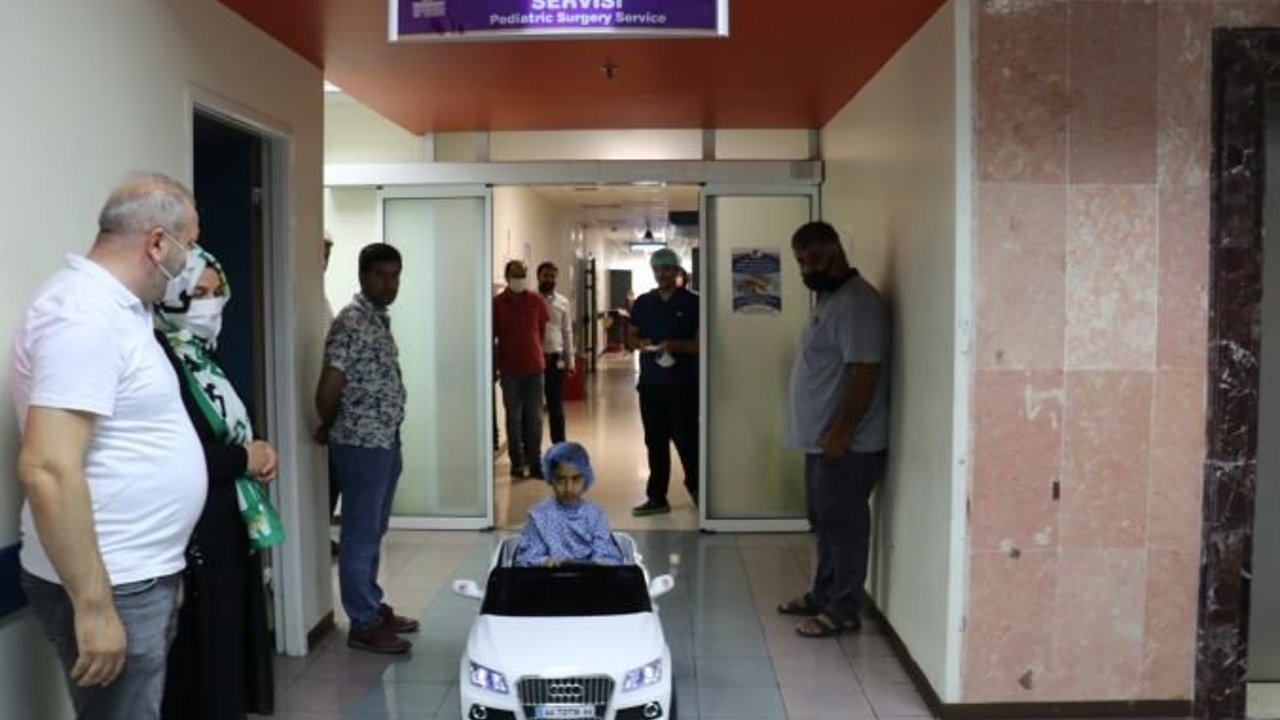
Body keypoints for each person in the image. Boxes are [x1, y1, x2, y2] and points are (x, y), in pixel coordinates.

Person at [12, 173, 207, 719]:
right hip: (112, 582)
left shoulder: (123, 309)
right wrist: (95, 607)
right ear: (157, 243)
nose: (190, 262)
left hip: (137, 574)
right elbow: (48, 468)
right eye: (189, 246)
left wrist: (164, 567)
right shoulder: (82, 314)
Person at [155, 248, 278, 719]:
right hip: (192, 531)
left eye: (215, 293)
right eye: (197, 294)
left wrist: (258, 453)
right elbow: (176, 453)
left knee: (228, 644)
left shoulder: (204, 360)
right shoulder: (160, 360)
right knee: (201, 656)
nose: (209, 305)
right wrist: (245, 458)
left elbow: (229, 430)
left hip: (228, 521)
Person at [777, 221, 888, 638]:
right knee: (825, 523)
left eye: (814, 259)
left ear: (837, 251)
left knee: (844, 529)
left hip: (847, 445)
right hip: (822, 442)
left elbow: (866, 371)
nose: (807, 269)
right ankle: (823, 594)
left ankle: (843, 609)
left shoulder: (859, 304)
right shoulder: (830, 299)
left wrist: (842, 431)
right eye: (800, 262)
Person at [315, 243, 418, 654]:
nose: (389, 284)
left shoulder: (377, 319)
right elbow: (328, 387)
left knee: (374, 529)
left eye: (395, 276)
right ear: (362, 277)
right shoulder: (351, 322)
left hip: (384, 439)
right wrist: (329, 424)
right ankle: (363, 621)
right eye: (380, 275)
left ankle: (372, 604)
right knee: (359, 533)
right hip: (361, 443)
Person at [628, 248, 700, 516]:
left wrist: (673, 345)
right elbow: (630, 337)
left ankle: (697, 488)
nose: (661, 274)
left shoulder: (693, 303)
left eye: (667, 269)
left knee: (687, 440)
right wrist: (640, 343)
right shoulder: (644, 302)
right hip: (651, 385)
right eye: (657, 269)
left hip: (683, 385)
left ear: (678, 271)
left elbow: (700, 345)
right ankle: (657, 496)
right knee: (655, 442)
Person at [513, 442, 622, 568]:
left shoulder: (596, 516)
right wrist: (543, 562)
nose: (569, 488)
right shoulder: (539, 516)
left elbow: (606, 556)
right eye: (561, 480)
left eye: (576, 479)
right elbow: (526, 558)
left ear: (586, 478)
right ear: (550, 479)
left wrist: (600, 563)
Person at [493, 260, 549, 479]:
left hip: (534, 367)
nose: (519, 279)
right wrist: (495, 367)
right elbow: (493, 337)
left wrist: (537, 351)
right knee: (513, 418)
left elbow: (541, 329)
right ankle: (517, 463)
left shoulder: (535, 300)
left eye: (522, 275)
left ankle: (535, 463)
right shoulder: (497, 304)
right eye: (515, 275)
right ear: (507, 278)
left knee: (535, 418)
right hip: (510, 369)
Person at [537, 261, 575, 444]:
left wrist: (571, 361)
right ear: (538, 277)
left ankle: (559, 448)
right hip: (535, 360)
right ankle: (532, 452)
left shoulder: (563, 302)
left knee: (556, 407)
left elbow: (567, 331)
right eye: (546, 276)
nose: (549, 279)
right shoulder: (532, 300)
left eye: (552, 276)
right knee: (534, 409)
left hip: (556, 360)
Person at [322, 230, 340, 557]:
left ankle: (321, 533)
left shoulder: (320, 298)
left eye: (327, 254)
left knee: (331, 479)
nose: (323, 260)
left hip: (329, 410)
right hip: (320, 408)